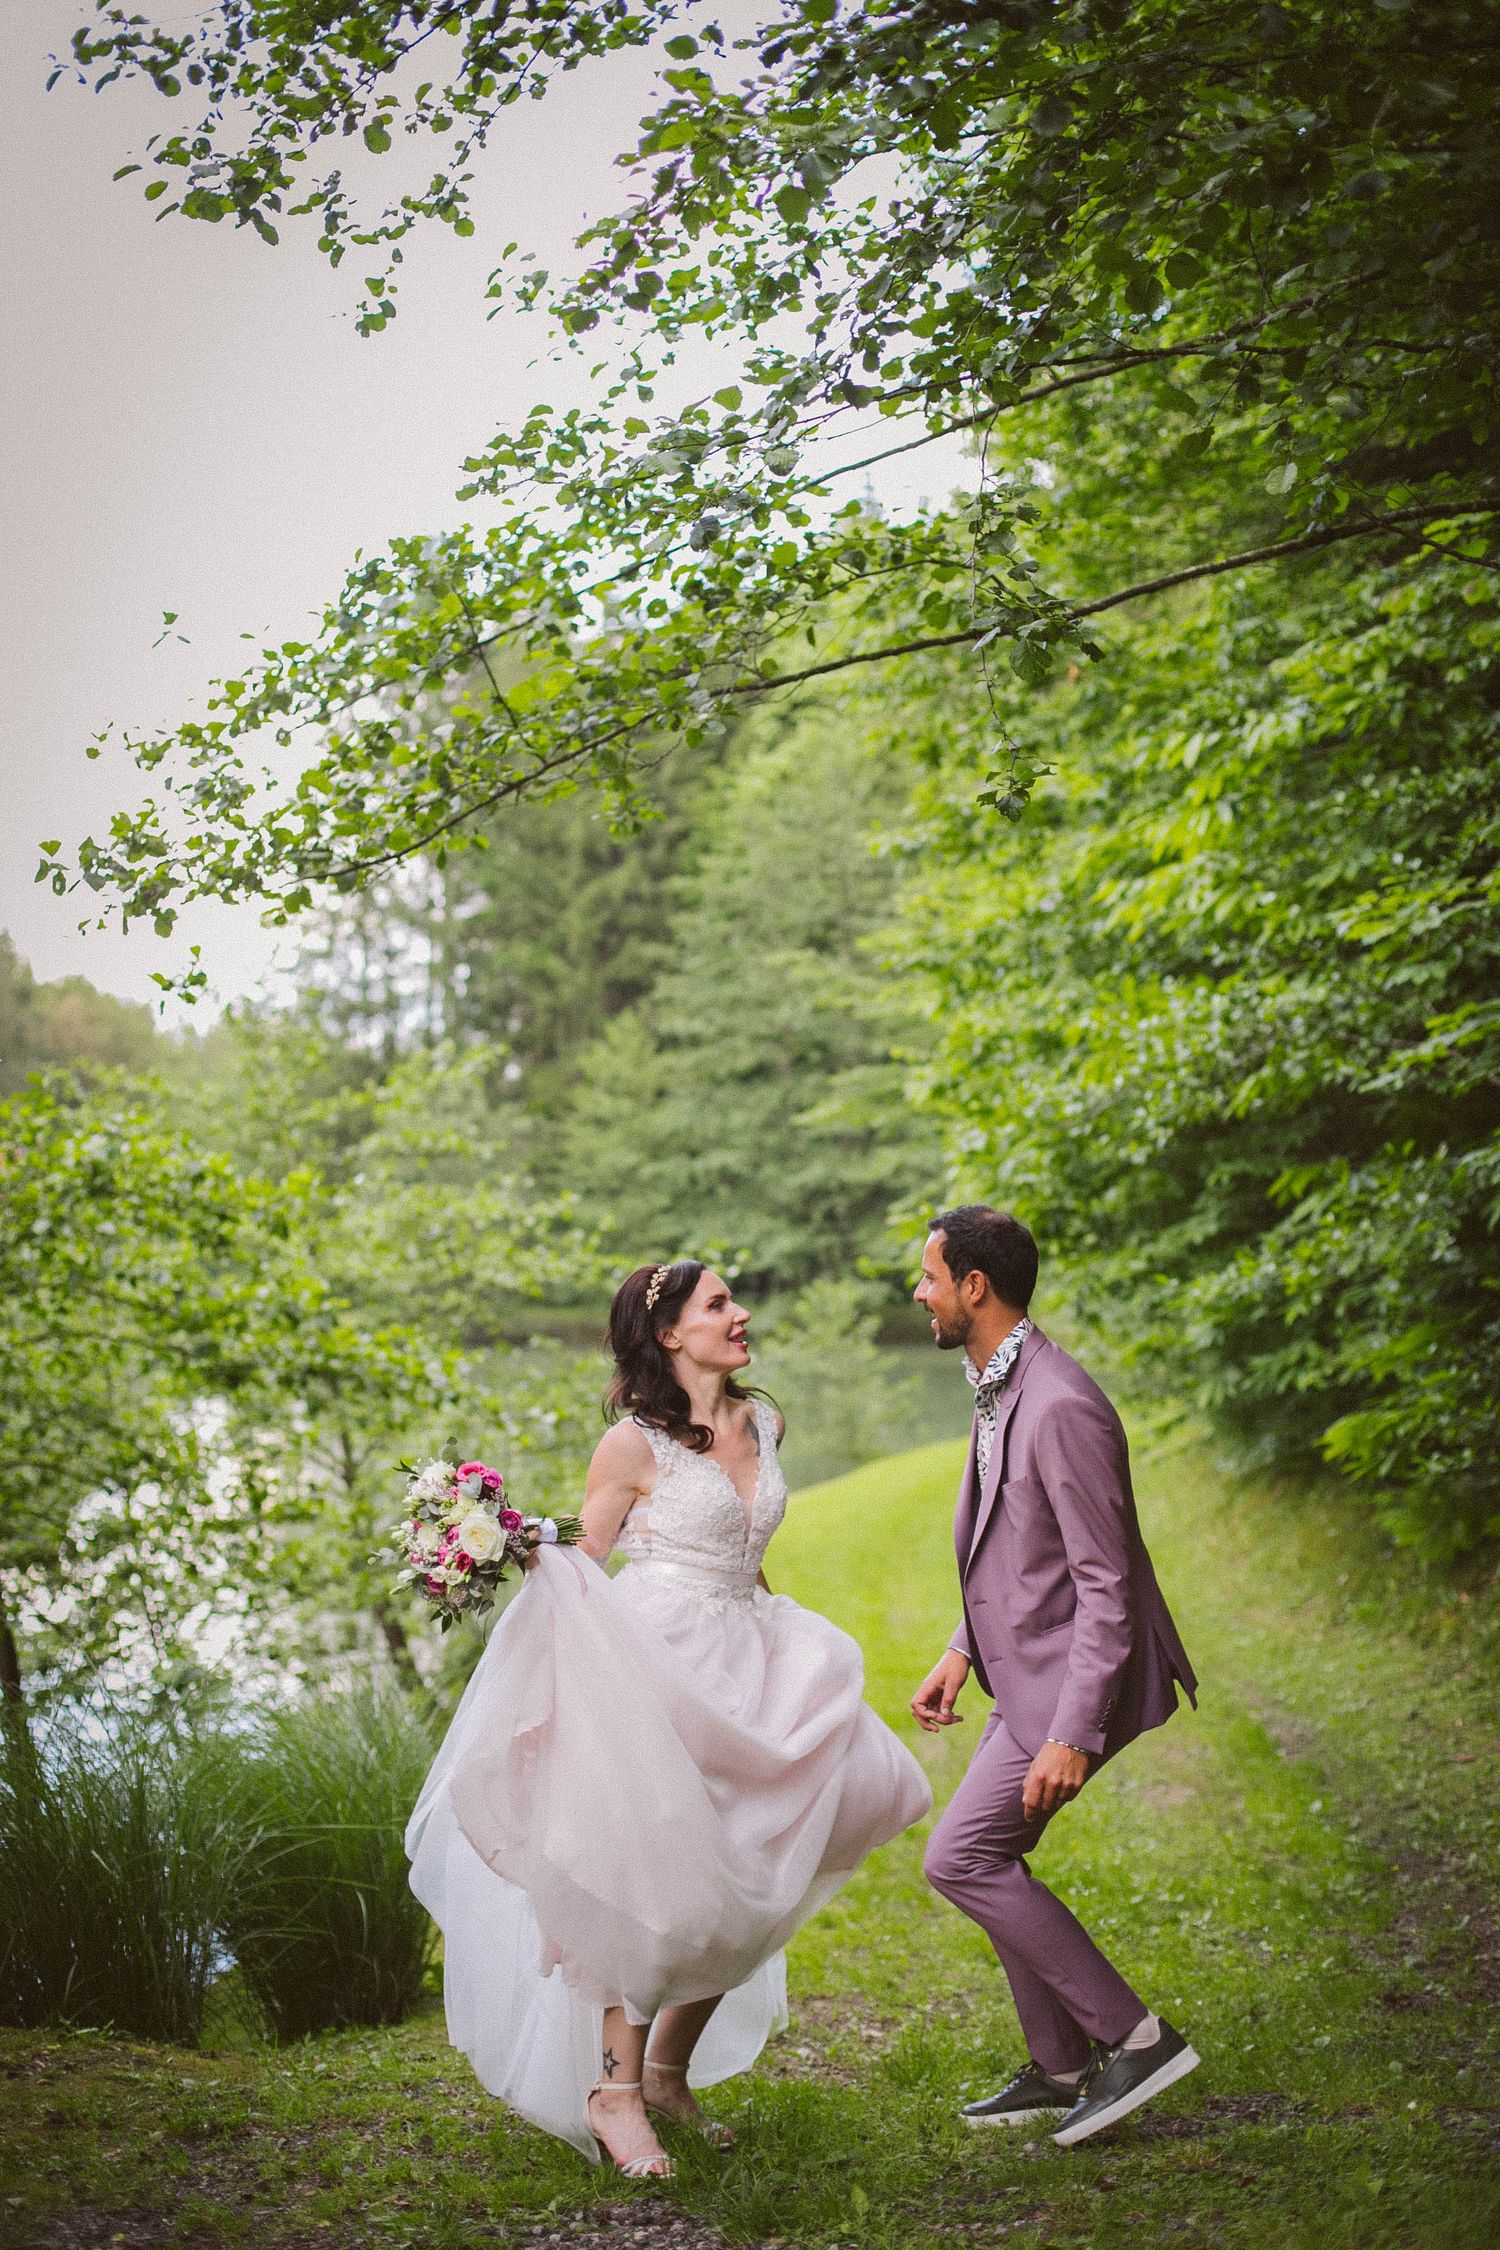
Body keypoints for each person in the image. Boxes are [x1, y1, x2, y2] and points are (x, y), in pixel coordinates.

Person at [407, 1258, 931, 2177]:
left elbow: (746, 1546)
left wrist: (777, 1646)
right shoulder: (633, 1446)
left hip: (751, 1648)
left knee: (805, 1829)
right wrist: (505, 1542)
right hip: (657, 1661)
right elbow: (590, 1554)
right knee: (658, 1881)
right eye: (719, 1305)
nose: (741, 1315)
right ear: (667, 1335)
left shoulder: (762, 1420)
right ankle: (614, 2095)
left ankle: (666, 2071)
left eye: (733, 1301)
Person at [910, 1205, 1201, 2146]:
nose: (920, 1293)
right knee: (982, 1855)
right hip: (1023, 1671)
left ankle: (1135, 2037)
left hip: (1078, 1681)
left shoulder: (1063, 1403)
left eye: (929, 1277)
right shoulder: (999, 1384)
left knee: (962, 1857)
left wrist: (1075, 1730)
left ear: (975, 1287)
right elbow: (1014, 1545)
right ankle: (1065, 2064)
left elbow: (1106, 1582)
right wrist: (964, 1647)